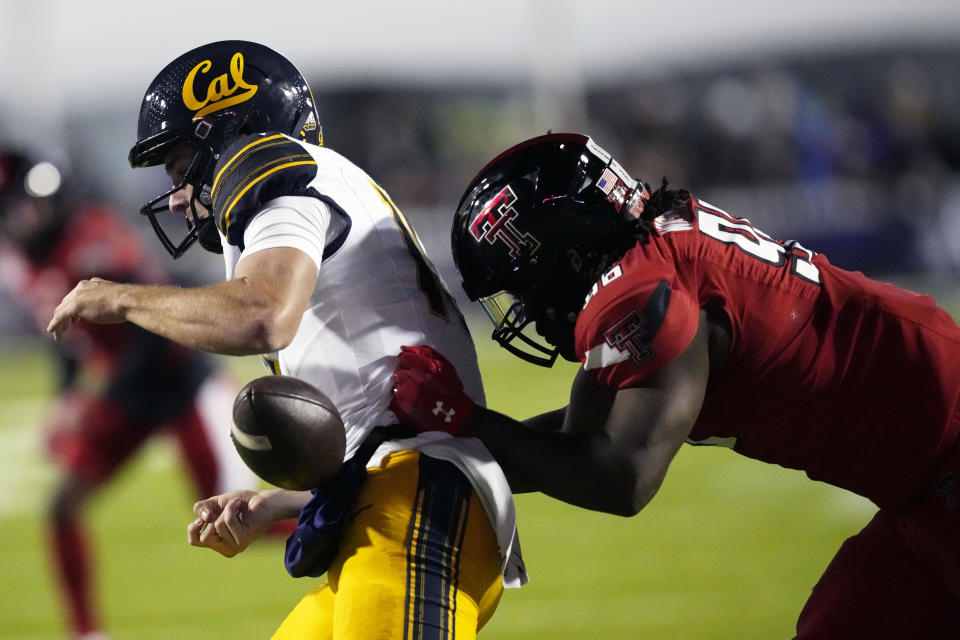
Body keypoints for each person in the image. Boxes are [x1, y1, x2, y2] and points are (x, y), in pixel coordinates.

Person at [389, 132, 960, 638]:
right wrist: (434, 452)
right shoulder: (649, 254)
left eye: (522, 287)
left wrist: (460, 419)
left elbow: (623, 477)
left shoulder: (640, 291)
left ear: (563, 253)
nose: (528, 311)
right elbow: (576, 434)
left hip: (946, 451)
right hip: (922, 473)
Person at [47, 40, 526, 639]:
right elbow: (376, 413)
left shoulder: (274, 169)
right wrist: (280, 504)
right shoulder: (317, 182)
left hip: (416, 510)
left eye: (178, 168)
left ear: (229, 134)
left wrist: (121, 297)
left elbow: (264, 315)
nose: (173, 197)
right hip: (389, 502)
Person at [0, 149, 258, 640]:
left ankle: (330, 522)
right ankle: (87, 633)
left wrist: (95, 403)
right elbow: (65, 335)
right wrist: (67, 396)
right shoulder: (25, 262)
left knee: (233, 521)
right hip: (128, 391)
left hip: (175, 377)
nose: (19, 221)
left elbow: (149, 331)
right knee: (61, 506)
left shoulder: (91, 237)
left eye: (24, 207)